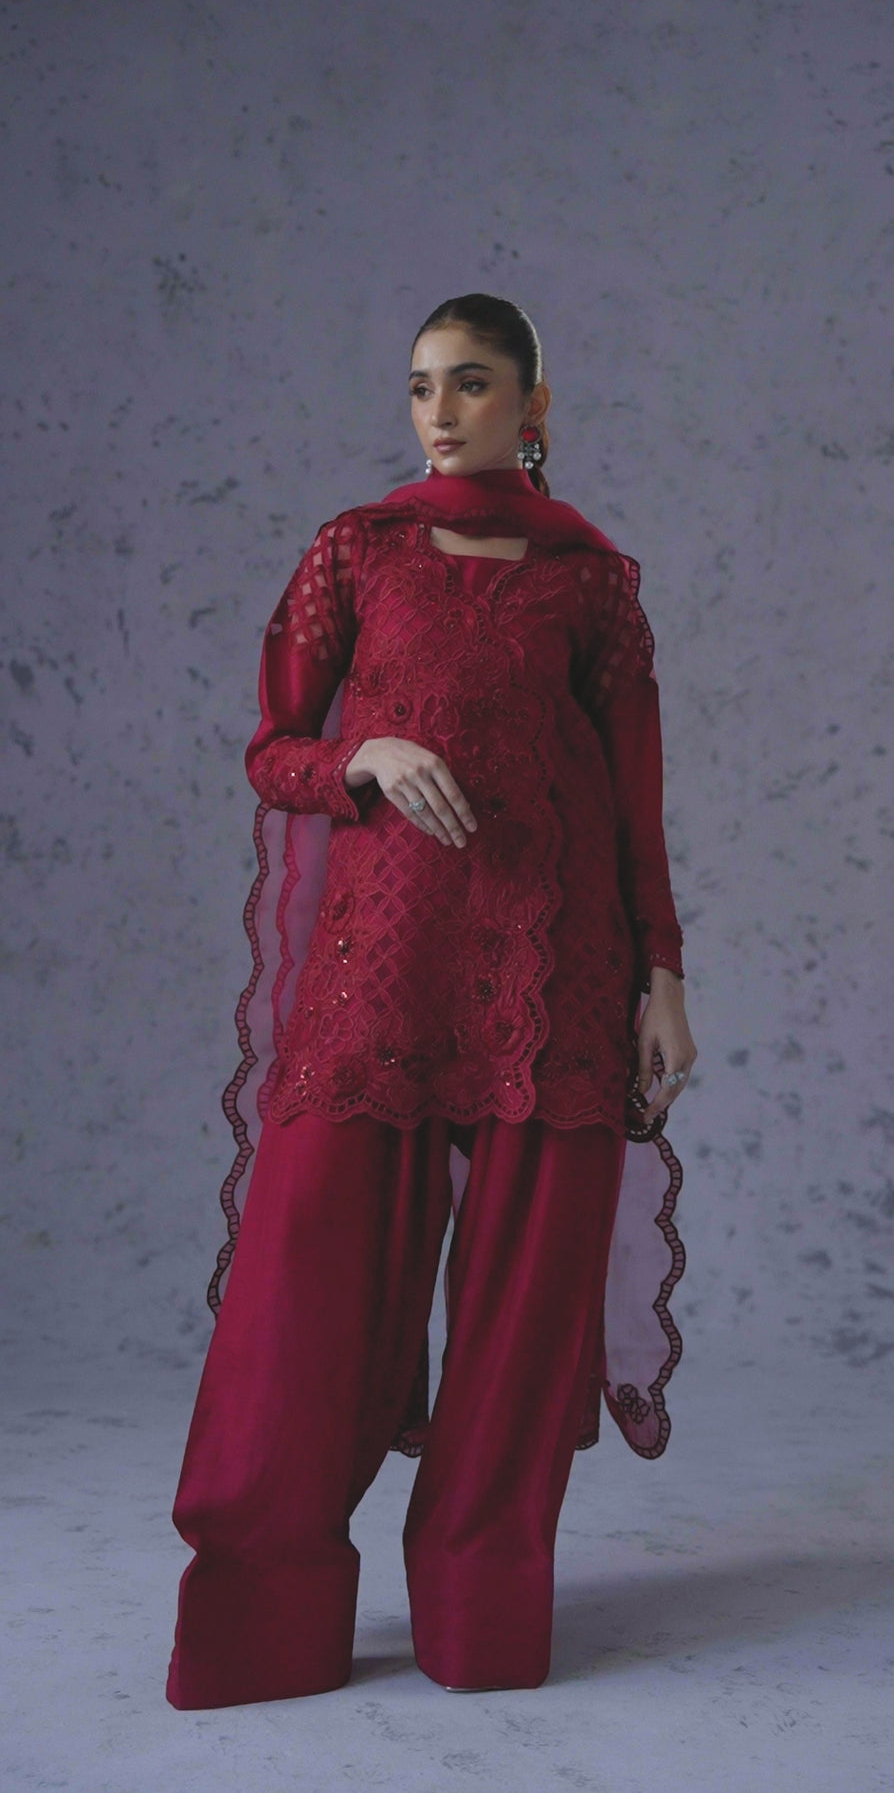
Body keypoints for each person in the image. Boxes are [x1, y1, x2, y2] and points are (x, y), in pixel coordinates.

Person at [165, 292, 698, 1709]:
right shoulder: (357, 550)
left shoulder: (592, 579)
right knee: (308, 1296)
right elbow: (274, 750)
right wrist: (370, 753)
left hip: (556, 970)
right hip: (382, 966)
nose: (439, 411)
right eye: (419, 386)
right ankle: (265, 1621)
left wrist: (664, 972)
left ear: (532, 406)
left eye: (469, 383)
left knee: (524, 1323)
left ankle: (479, 1619)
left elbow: (634, 797)